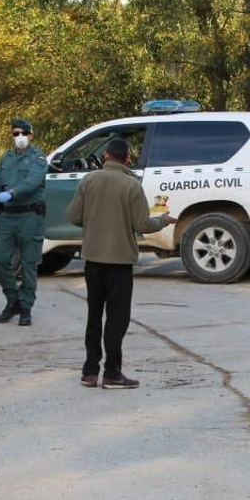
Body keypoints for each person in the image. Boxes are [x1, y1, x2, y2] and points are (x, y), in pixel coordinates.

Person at [67, 136, 177, 387]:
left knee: (94, 316)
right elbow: (142, 225)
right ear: (127, 158)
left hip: (93, 259)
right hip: (119, 261)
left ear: (106, 155)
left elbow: (73, 215)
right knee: (117, 318)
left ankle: (90, 371)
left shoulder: (89, 180)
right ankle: (112, 372)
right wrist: (163, 220)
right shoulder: (131, 185)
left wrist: (94, 220)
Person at [0, 117, 48, 327]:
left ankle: (26, 308)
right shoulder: (6, 159)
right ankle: (13, 300)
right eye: (15, 134)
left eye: (23, 133)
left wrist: (13, 193)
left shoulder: (38, 158)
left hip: (30, 217)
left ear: (30, 135)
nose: (19, 137)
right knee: (0, 260)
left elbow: (33, 182)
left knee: (28, 264)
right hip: (8, 217)